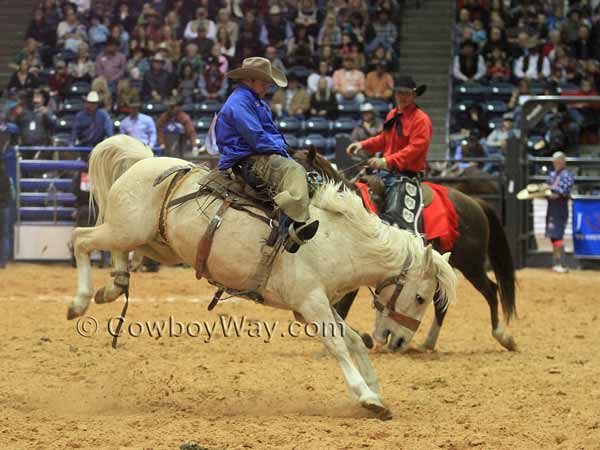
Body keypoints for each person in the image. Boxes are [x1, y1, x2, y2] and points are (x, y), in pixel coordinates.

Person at [215, 57, 319, 253]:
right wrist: (283, 153)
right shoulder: (239, 103)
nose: (267, 88)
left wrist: (282, 149)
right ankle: (289, 229)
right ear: (249, 80)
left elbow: (269, 133)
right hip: (247, 159)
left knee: (303, 172)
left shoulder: (256, 102)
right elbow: (257, 138)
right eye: (264, 83)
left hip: (259, 153)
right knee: (294, 170)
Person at [346, 76, 432, 234]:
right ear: (395, 94)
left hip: (406, 176)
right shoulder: (393, 114)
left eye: (406, 93)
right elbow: (384, 139)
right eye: (399, 93)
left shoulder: (421, 120)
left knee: (397, 223)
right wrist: (363, 144)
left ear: (414, 95)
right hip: (385, 173)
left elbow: (416, 148)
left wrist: (386, 161)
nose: (403, 97)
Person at [545, 151, 574, 273]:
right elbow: (548, 189)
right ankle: (557, 262)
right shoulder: (552, 174)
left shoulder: (567, 175)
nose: (555, 164)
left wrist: (550, 189)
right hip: (552, 206)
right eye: (554, 162)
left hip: (560, 207)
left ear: (562, 161)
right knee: (553, 235)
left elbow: (565, 191)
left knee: (558, 234)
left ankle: (561, 263)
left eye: (556, 161)